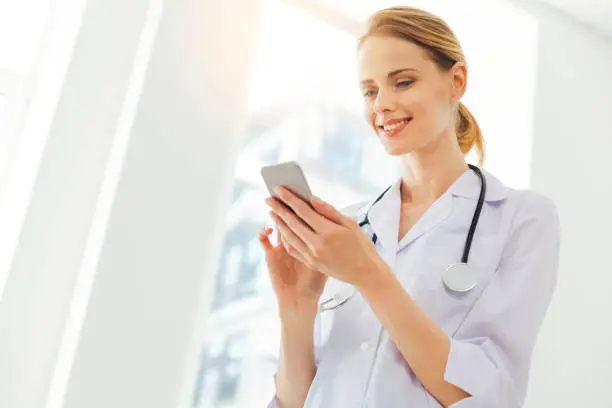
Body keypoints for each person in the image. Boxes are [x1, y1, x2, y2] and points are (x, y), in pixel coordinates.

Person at [259, 6, 560, 408]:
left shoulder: (521, 219)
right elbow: (297, 401)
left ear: (456, 82)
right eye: (369, 90)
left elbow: (491, 396)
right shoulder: (348, 227)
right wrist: (296, 308)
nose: (381, 104)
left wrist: (368, 273)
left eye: (402, 82)